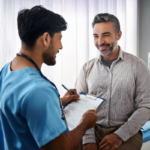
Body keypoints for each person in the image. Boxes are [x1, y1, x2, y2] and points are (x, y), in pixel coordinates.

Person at [0, 6, 98, 150]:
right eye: (60, 39)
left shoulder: (7, 70)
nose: (61, 46)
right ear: (46, 38)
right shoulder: (39, 90)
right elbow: (61, 147)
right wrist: (85, 123)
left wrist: (57, 103)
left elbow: (20, 110)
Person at [75, 13, 150, 150]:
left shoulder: (138, 66)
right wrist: (88, 139)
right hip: (91, 128)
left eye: (106, 35)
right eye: (96, 36)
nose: (100, 41)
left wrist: (119, 136)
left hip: (126, 130)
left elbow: (146, 106)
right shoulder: (87, 68)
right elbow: (80, 105)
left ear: (118, 35)